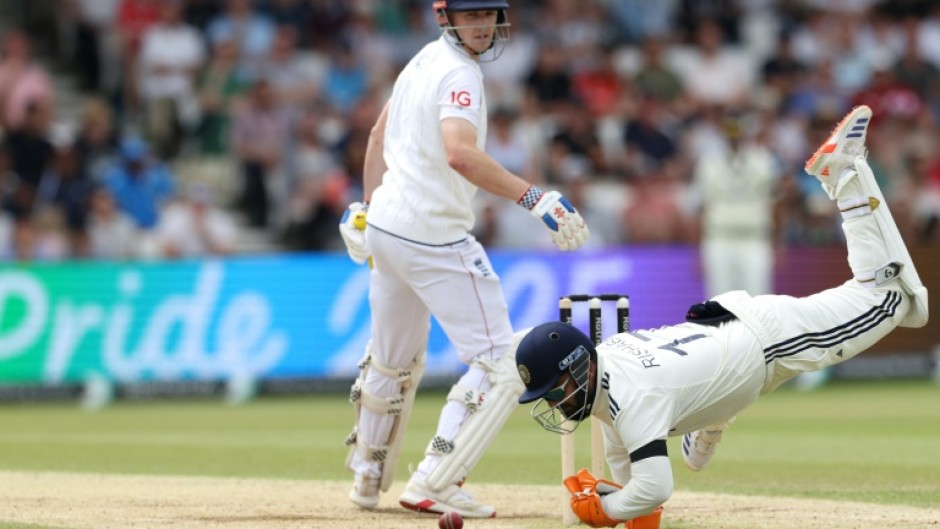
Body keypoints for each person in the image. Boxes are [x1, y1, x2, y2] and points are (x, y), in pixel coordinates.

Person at [513, 105, 928, 528]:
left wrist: (605, 511)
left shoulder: (633, 400)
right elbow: (634, 476)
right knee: (691, 457)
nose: (554, 403)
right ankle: (710, 418)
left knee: (889, 300)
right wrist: (621, 502)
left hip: (767, 340)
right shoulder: (610, 370)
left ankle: (840, 174)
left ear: (579, 367)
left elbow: (655, 489)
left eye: (554, 390)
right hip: (722, 335)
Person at [338, 0, 590, 520]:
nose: (482, 26)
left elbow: (377, 138)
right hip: (433, 236)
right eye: (470, 16)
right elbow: (459, 153)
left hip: (388, 228)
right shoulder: (459, 73)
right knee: (501, 360)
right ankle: (437, 478)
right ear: (445, 17)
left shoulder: (421, 61)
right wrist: (534, 197)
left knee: (392, 359)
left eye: (489, 15)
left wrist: (364, 208)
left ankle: (367, 478)